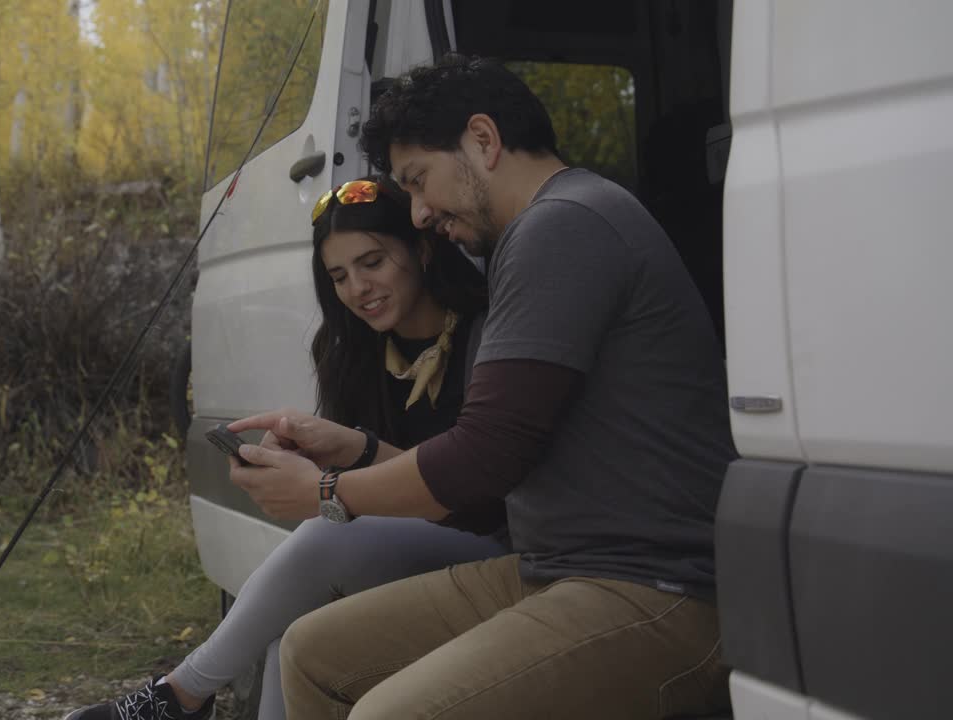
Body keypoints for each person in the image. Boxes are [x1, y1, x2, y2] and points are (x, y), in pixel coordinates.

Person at [227, 55, 738, 719]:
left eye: (418, 180)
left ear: (484, 141)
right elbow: (489, 486)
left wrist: (326, 494)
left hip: (657, 588)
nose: (416, 212)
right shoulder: (537, 235)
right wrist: (353, 450)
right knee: (310, 653)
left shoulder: (566, 223)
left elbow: (482, 455)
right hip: (554, 569)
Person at [62, 175, 508, 720]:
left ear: (420, 248)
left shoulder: (488, 335)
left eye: (373, 262)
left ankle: (182, 693)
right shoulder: (349, 349)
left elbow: (479, 494)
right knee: (294, 637)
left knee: (328, 533)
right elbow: (359, 490)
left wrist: (353, 460)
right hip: (412, 551)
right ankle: (182, 695)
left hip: (497, 553)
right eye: (339, 276)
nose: (358, 289)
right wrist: (312, 461)